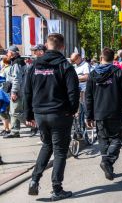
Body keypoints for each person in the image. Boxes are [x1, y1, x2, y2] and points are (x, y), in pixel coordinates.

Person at [24, 33, 80, 200]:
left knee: (47, 145)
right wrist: (72, 109)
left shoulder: (34, 65)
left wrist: (29, 114)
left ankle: (34, 180)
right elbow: (73, 92)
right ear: (62, 47)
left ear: (47, 46)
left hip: (40, 113)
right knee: (60, 151)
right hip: (60, 113)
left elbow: (27, 91)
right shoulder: (65, 66)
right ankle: (57, 188)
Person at [85, 47, 122, 181]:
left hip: (99, 113)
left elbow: (88, 97)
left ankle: (107, 165)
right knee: (118, 138)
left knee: (103, 139)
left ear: (101, 58)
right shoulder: (118, 73)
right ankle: (107, 162)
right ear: (113, 59)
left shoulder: (93, 75)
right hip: (115, 112)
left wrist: (89, 115)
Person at [3, 46, 26, 139]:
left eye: (7, 52)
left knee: (16, 112)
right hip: (18, 90)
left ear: (12, 53)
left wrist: (14, 92)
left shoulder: (17, 63)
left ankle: (34, 125)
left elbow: (17, 79)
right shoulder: (16, 61)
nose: (6, 54)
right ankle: (15, 131)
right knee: (13, 111)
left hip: (18, 91)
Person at [70, 52, 91, 137]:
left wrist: (76, 78)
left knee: (84, 108)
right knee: (78, 111)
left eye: (74, 60)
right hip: (76, 90)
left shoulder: (85, 65)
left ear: (79, 57)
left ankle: (88, 123)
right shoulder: (75, 66)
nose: (74, 62)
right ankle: (79, 128)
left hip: (84, 90)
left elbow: (87, 76)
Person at [0, 57, 12, 137]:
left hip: (3, 92)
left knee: (3, 112)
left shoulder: (5, 70)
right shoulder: (11, 68)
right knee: (6, 112)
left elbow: (2, 79)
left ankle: (7, 129)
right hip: (8, 92)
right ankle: (8, 128)